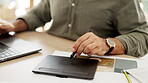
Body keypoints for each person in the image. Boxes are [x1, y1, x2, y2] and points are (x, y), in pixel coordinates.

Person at [0, 0, 148, 57]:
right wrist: (13, 25)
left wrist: (107, 44)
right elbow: (39, 14)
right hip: (48, 55)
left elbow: (143, 35)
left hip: (93, 62)